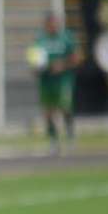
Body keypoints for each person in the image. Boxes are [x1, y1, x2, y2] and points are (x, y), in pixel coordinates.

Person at [35, 12, 80, 155]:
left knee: (65, 107)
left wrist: (62, 65)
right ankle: (53, 141)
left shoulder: (66, 38)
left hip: (63, 80)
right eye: (50, 23)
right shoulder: (40, 40)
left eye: (55, 23)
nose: (53, 26)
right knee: (48, 111)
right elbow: (34, 60)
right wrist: (36, 68)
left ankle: (70, 137)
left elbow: (76, 58)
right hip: (46, 81)